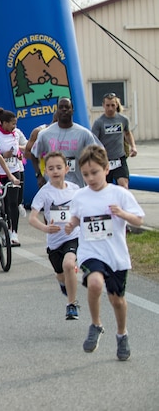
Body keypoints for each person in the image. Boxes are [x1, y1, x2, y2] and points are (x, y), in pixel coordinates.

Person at [66, 145, 144, 361]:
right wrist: (71, 224)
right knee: (95, 284)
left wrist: (123, 214)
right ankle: (96, 324)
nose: (90, 178)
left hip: (116, 255)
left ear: (106, 168)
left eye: (95, 172)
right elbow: (76, 216)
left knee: (117, 300)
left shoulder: (119, 194)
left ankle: (122, 334)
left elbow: (139, 219)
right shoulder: (80, 196)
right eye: (86, 174)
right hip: (91, 252)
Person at [28, 152, 81, 320]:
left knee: (68, 264)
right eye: (51, 168)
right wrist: (45, 228)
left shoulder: (75, 189)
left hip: (73, 236)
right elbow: (32, 218)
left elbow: (83, 210)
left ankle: (71, 305)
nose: (55, 171)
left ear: (66, 169)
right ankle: (63, 282)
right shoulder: (45, 192)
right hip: (54, 242)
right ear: (46, 172)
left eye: (59, 167)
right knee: (60, 273)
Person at [30, 97, 101, 188]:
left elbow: (96, 155)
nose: (64, 110)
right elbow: (34, 154)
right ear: (57, 111)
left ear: (72, 110)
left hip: (77, 186)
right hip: (53, 186)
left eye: (67, 107)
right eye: (61, 107)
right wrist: (39, 175)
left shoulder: (84, 134)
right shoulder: (45, 134)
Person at [0, 108, 27, 246]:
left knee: (14, 202)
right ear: (4, 123)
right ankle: (2, 225)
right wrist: (2, 154)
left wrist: (18, 154)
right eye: (12, 123)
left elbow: (20, 147)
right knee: (2, 203)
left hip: (14, 171)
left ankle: (14, 233)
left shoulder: (16, 134)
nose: (14, 126)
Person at [91, 93, 137, 189]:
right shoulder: (99, 122)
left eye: (113, 105)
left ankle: (123, 203)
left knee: (123, 185)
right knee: (104, 188)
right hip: (104, 160)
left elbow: (127, 133)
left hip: (119, 158)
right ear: (103, 105)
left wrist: (133, 146)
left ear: (117, 105)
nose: (110, 108)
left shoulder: (123, 120)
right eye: (108, 105)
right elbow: (93, 141)